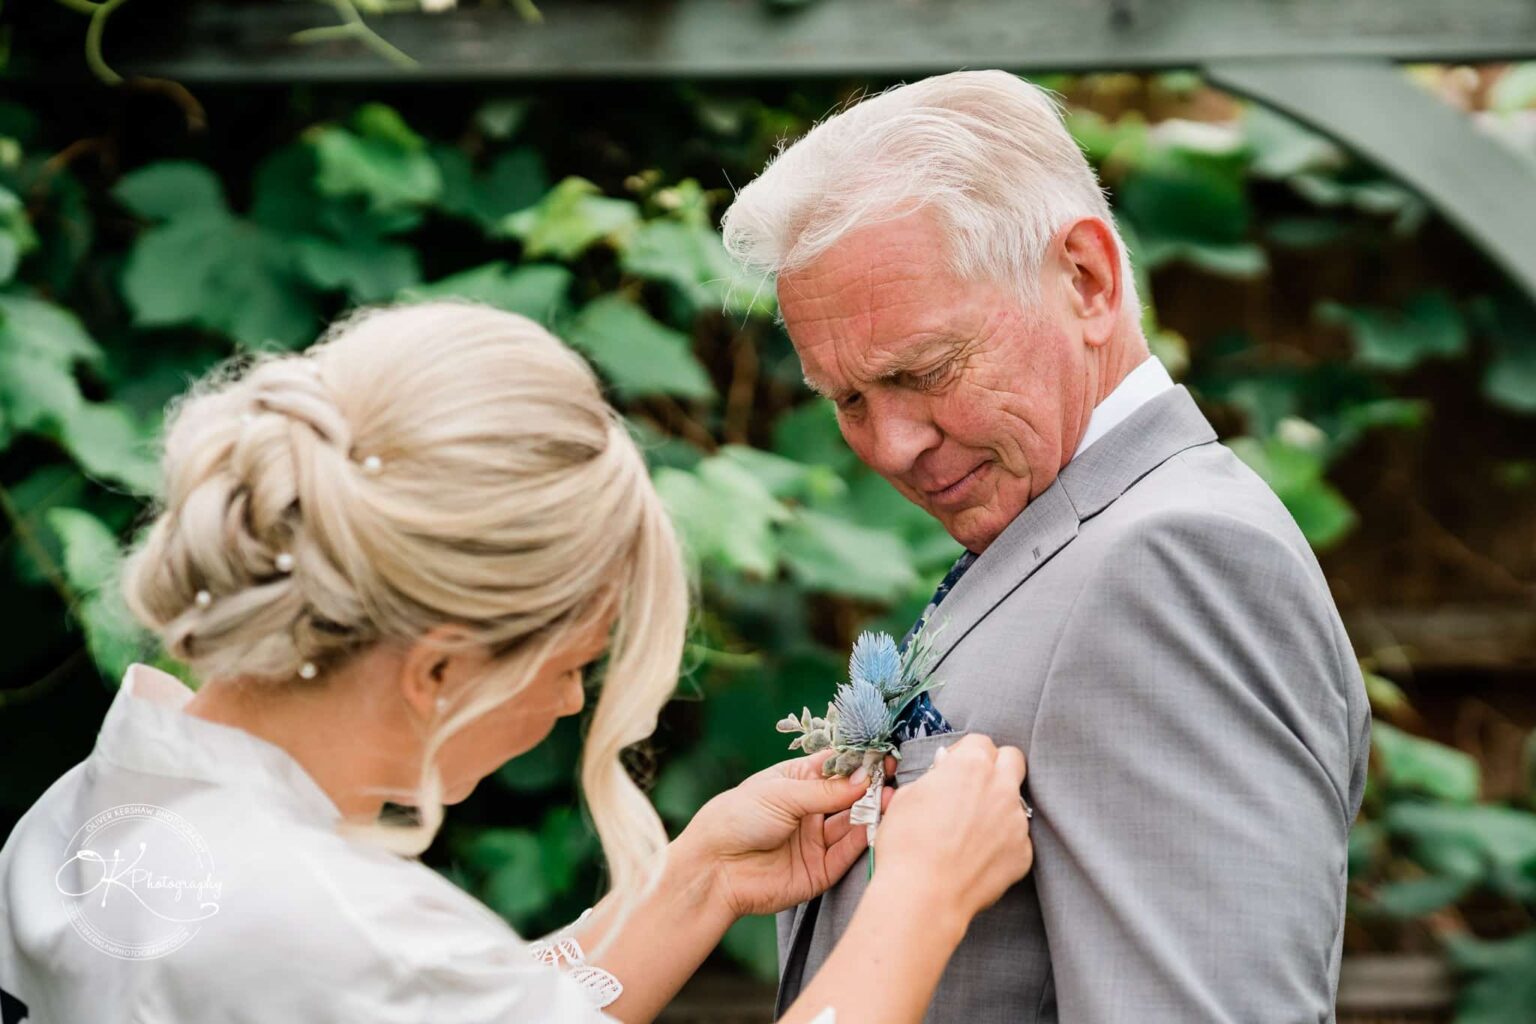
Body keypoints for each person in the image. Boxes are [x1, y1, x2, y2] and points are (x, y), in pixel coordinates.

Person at [0, 300, 1033, 1023]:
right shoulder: (346, 928)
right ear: (441, 670)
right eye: (574, 663)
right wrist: (922, 898)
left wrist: (696, 878)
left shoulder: (96, 818)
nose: (574, 700)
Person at [722, 70, 1371, 1022]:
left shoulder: (1174, 561)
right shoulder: (1066, 533)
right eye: (849, 399)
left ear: (1087, 279)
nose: (890, 445)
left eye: (926, 369)